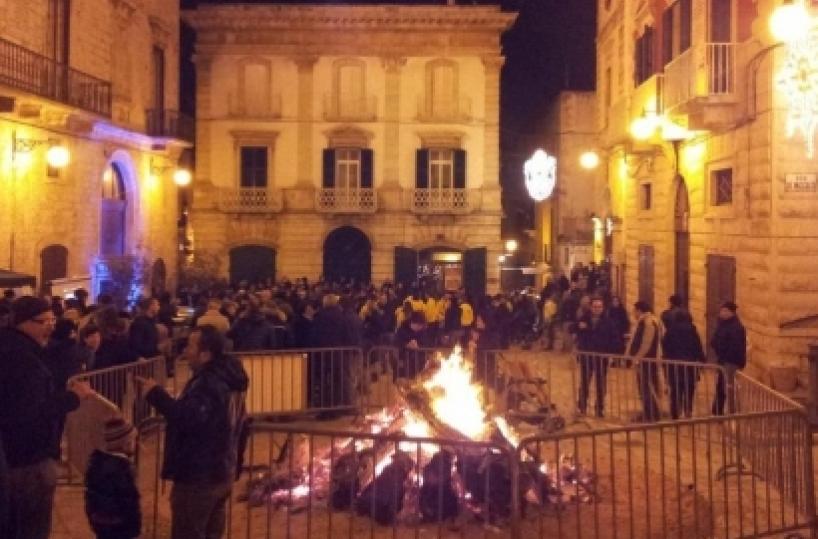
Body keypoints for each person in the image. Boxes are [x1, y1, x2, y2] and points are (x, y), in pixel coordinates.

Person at [135, 325, 248, 539]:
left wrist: (155, 394)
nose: (185, 351)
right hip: (222, 470)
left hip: (199, 475)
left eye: (190, 346)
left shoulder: (208, 384)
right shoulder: (229, 379)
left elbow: (188, 418)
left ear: (205, 354)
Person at [0, 296, 94, 539]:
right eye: (45, 321)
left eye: (53, 320)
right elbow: (32, 411)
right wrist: (74, 397)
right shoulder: (22, 359)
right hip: (27, 459)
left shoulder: (13, 347)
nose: (51, 327)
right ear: (23, 322)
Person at [85, 417, 141, 539]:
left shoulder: (97, 465)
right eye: (133, 440)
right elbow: (129, 501)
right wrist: (135, 527)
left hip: (101, 524)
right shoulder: (123, 470)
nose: (136, 444)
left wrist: (93, 519)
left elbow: (89, 497)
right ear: (125, 444)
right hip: (120, 527)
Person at [575, 297, 620, 417]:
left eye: (599, 307)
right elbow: (573, 329)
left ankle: (599, 408)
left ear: (603, 308)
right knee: (585, 382)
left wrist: (610, 353)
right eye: (595, 307)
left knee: (601, 384)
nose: (597, 309)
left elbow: (614, 339)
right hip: (587, 356)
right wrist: (579, 326)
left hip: (601, 357)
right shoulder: (584, 319)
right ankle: (582, 406)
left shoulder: (608, 322)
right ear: (591, 307)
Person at [662, 310, 705, 419]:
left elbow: (665, 346)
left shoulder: (670, 331)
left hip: (675, 366)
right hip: (690, 366)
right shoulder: (693, 331)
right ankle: (688, 411)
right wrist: (702, 361)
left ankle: (675, 413)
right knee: (689, 390)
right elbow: (698, 347)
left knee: (676, 391)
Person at [627, 301, 662, 422]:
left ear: (639, 310)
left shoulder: (649, 322)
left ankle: (651, 414)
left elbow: (646, 343)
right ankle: (648, 412)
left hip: (647, 361)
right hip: (645, 360)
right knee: (643, 388)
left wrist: (637, 358)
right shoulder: (645, 321)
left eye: (634, 310)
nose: (633, 313)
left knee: (647, 387)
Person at [711, 301, 746, 415]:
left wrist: (724, 355)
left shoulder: (736, 327)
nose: (722, 313)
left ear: (732, 312)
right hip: (723, 360)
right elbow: (715, 340)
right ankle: (717, 411)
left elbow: (735, 347)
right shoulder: (722, 324)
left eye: (725, 311)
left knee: (728, 388)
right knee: (721, 386)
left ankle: (731, 412)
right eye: (722, 310)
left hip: (731, 362)